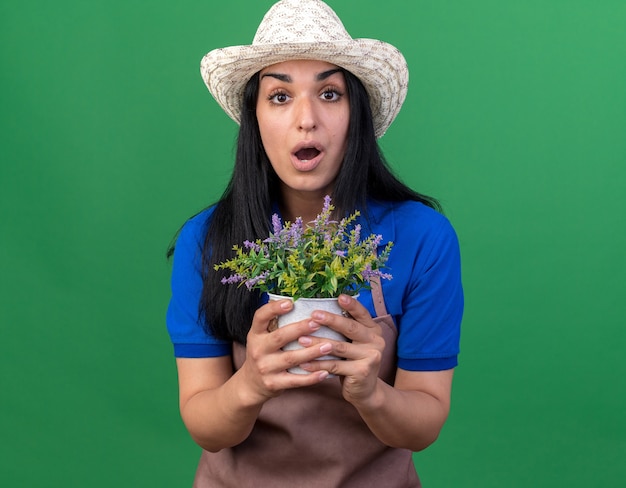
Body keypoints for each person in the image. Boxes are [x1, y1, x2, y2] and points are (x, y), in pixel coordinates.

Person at [166, 1, 463, 486]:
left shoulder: (422, 237)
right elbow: (204, 425)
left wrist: (371, 391)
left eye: (329, 93)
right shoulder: (208, 239)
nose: (306, 119)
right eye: (280, 97)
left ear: (356, 115)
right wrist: (250, 385)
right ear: (255, 119)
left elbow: (424, 423)